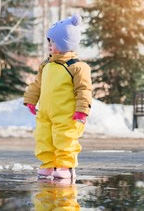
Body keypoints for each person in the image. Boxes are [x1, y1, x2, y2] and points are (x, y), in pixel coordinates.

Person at [23, 14, 92, 180]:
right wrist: (31, 99)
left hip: (66, 115)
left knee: (65, 140)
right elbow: (37, 84)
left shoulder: (77, 67)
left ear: (64, 44)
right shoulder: (46, 65)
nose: (49, 45)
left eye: (53, 42)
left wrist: (82, 111)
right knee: (43, 138)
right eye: (49, 41)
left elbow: (84, 90)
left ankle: (65, 166)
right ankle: (47, 165)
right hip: (45, 113)